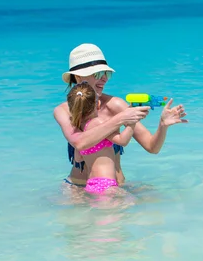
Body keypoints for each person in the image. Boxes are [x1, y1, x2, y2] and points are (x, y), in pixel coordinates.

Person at [54, 43, 188, 187]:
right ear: (78, 77)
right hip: (77, 187)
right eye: (98, 74)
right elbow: (79, 143)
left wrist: (162, 125)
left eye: (107, 73)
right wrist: (122, 118)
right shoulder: (63, 111)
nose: (104, 78)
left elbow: (152, 147)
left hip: (114, 188)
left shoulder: (115, 105)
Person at [67, 82, 136, 194]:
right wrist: (133, 121)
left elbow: (78, 158)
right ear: (97, 104)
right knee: (128, 207)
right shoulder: (97, 123)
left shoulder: (79, 129)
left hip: (92, 184)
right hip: (106, 184)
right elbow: (123, 141)